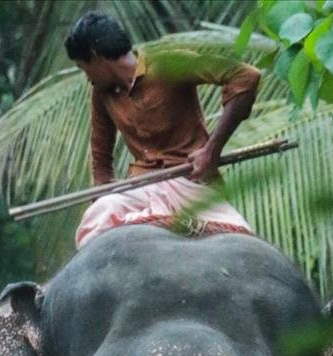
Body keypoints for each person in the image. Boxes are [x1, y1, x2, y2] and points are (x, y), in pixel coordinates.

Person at [64, 12, 262, 248]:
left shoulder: (169, 63)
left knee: (242, 244)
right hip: (141, 189)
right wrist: (103, 192)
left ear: (95, 57)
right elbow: (101, 161)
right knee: (100, 213)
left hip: (192, 183)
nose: (87, 77)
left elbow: (246, 76)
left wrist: (211, 151)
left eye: (83, 67)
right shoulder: (101, 94)